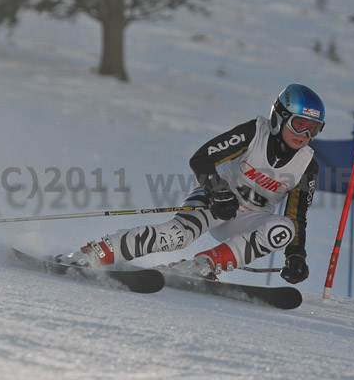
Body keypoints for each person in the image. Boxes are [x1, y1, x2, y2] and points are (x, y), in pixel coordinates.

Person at [56, 83, 324, 284]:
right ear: (279, 117)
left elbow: (297, 217)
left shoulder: (307, 165)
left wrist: (296, 255)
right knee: (177, 236)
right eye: (299, 124)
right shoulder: (254, 133)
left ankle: (204, 265)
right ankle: (94, 254)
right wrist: (218, 191)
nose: (304, 135)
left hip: (249, 220)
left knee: (284, 229)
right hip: (216, 202)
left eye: (313, 129)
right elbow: (202, 158)